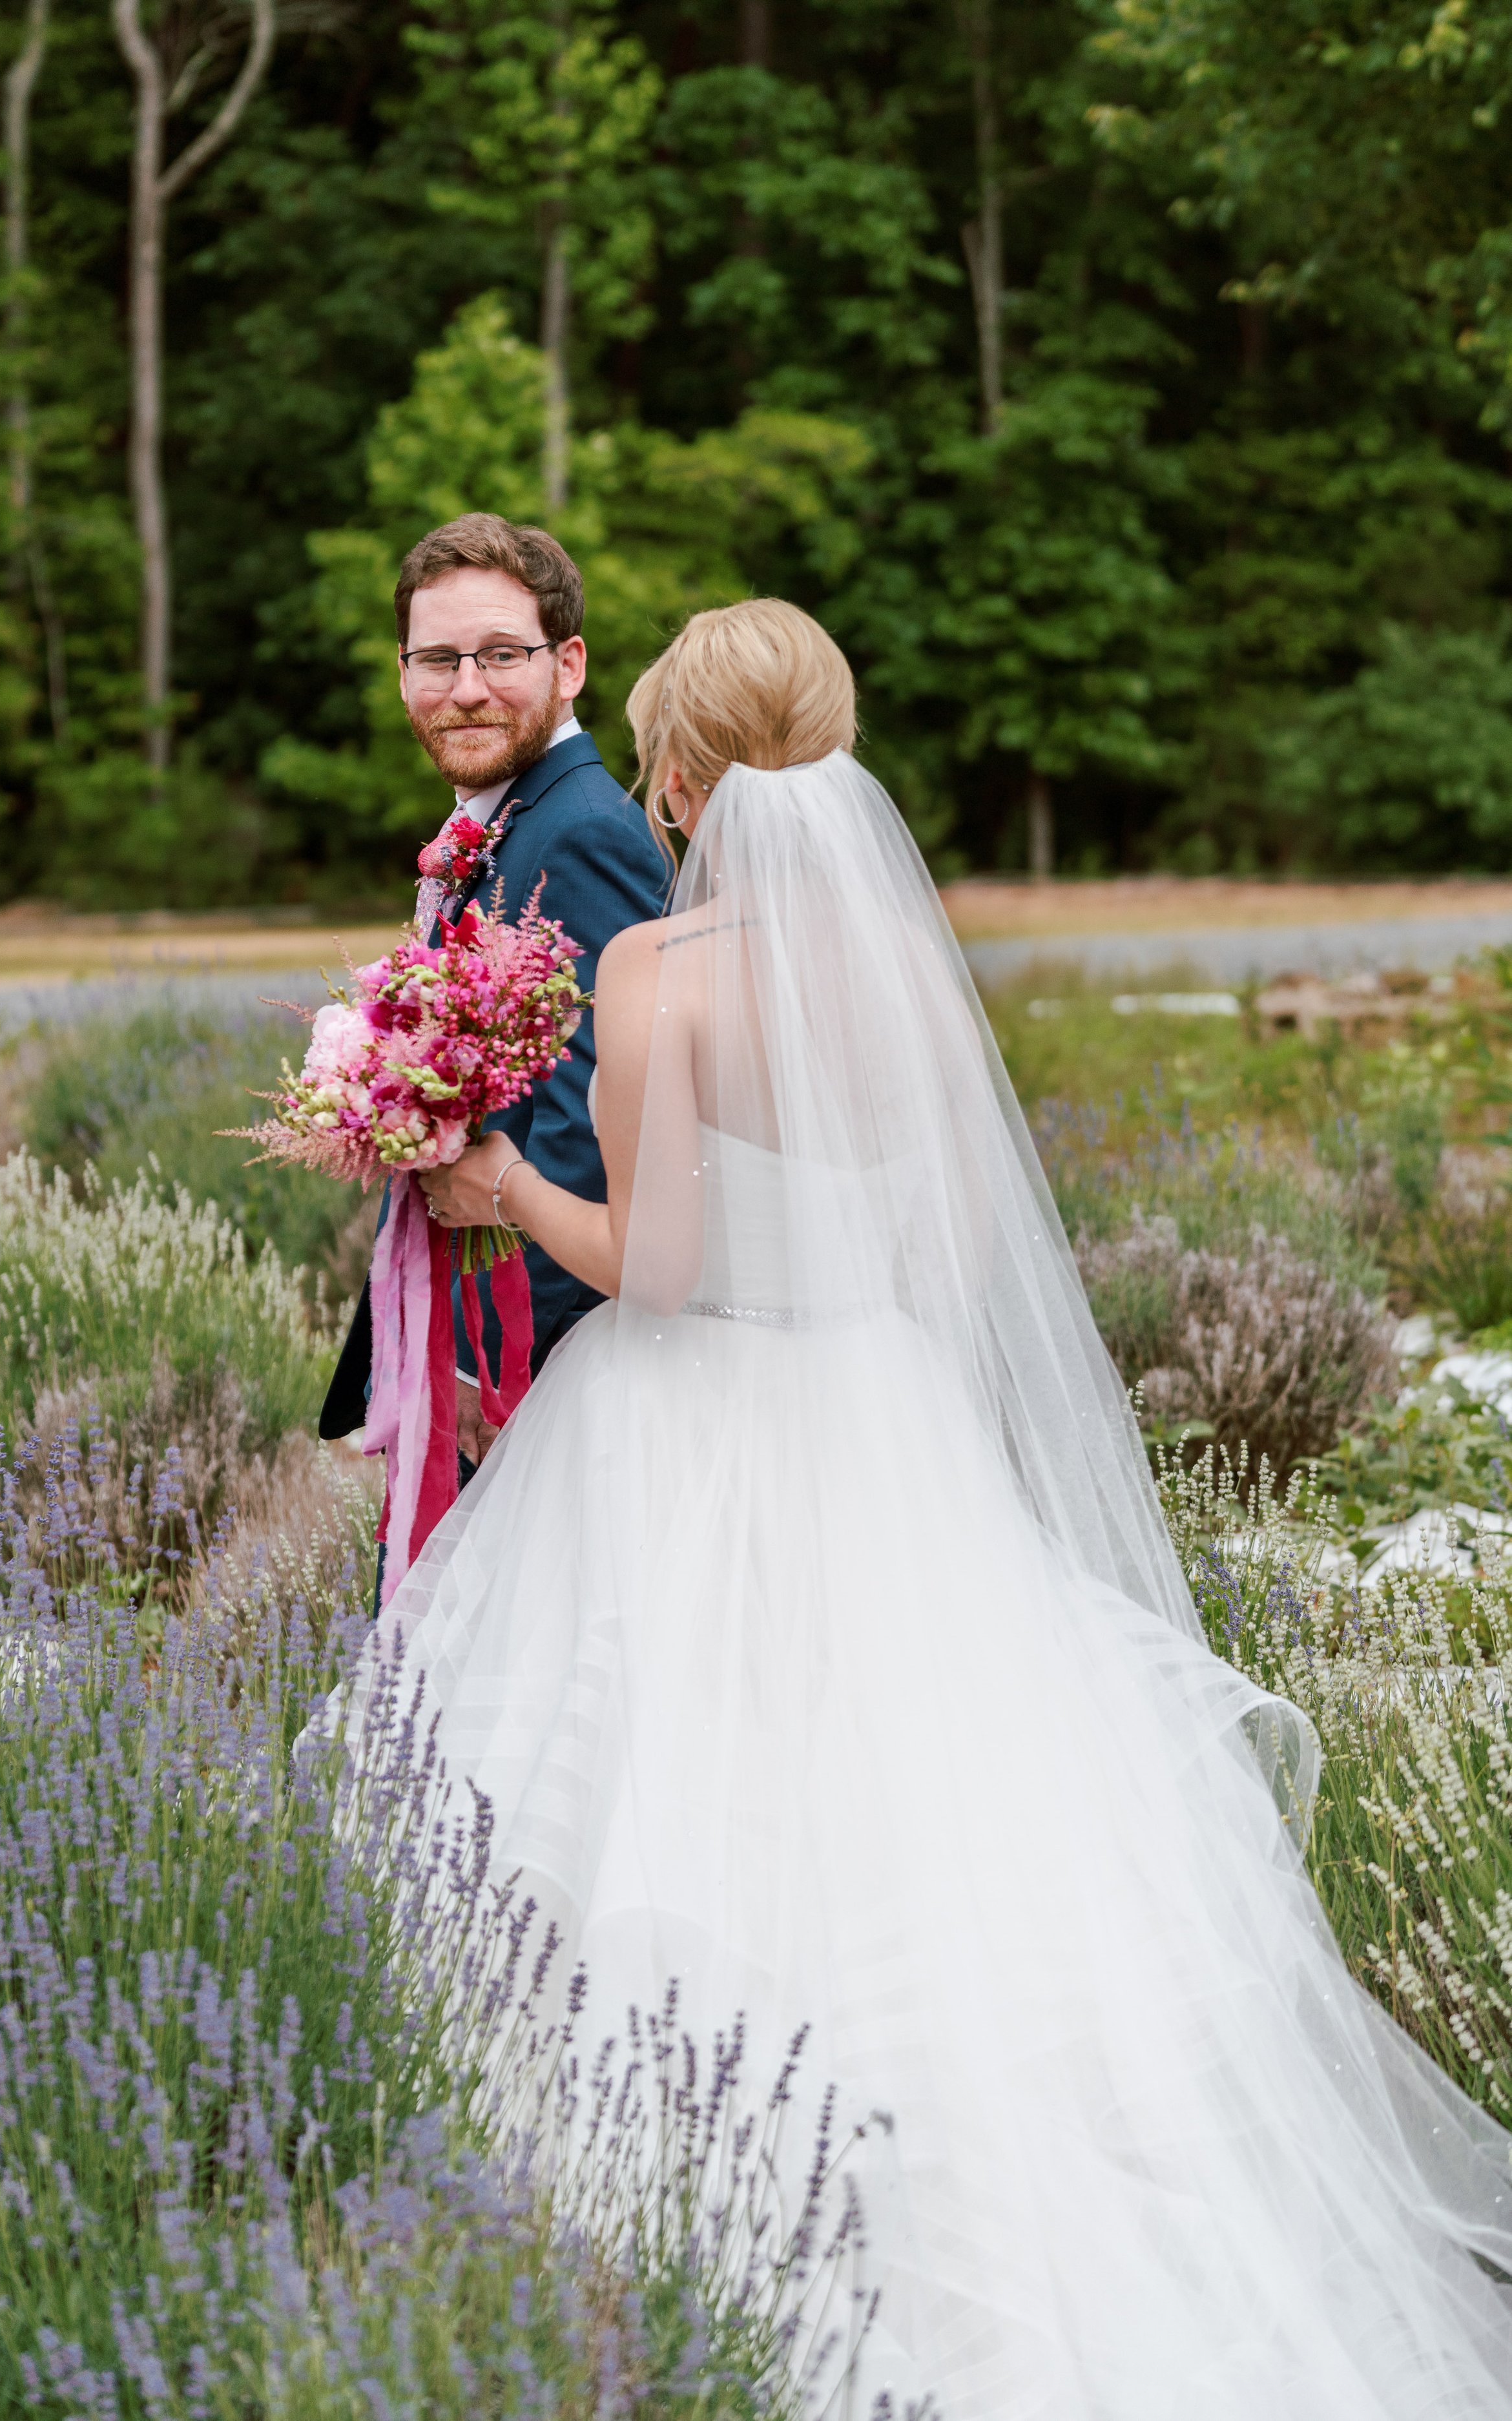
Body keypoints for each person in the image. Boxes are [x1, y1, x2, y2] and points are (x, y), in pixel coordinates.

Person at [333, 599, 1512, 2413]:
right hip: (884, 1415)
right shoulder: (901, 960)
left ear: (679, 762)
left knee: (671, 1806)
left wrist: (494, 1179)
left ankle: (659, 2252)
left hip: (688, 1427)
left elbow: (649, 1265)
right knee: (944, 1822)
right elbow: (955, 1251)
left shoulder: (663, 972)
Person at [318, 512, 672, 1476]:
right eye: (438, 659)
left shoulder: (583, 833)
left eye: (501, 654)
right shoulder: (504, 820)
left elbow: (592, 1127)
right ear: (402, 674)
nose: (466, 689)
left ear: (569, 666)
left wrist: (487, 1358)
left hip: (540, 1369)